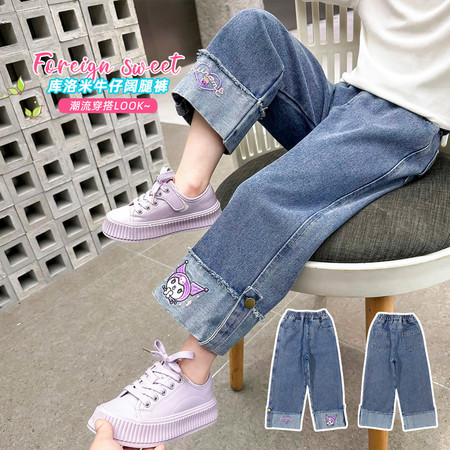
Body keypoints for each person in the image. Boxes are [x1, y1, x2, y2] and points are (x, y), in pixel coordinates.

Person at [88, 0, 449, 447]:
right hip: (347, 101)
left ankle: (191, 373)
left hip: (404, 123)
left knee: (261, 196)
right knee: (252, 28)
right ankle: (189, 189)